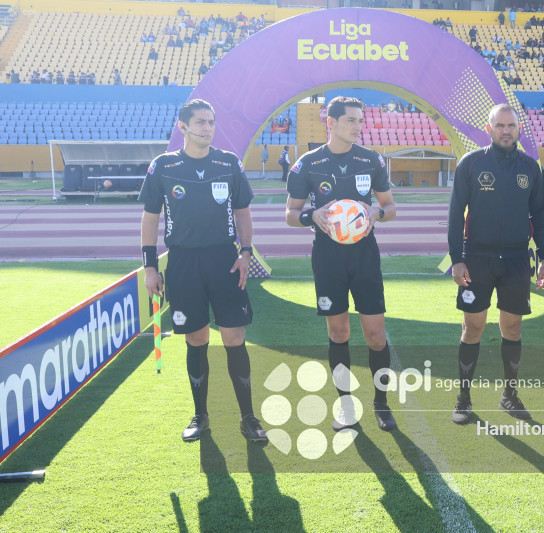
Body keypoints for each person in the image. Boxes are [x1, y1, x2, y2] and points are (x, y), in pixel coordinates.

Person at [138, 99, 267, 443]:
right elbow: (150, 218)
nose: (207, 128)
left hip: (224, 260)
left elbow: (242, 212)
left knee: (234, 337)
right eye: (200, 122)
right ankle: (201, 415)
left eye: (211, 122)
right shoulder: (163, 166)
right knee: (196, 339)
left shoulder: (228, 163)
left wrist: (245, 252)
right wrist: (150, 267)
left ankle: (248, 417)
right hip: (182, 262)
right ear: (183, 127)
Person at [285, 96, 398, 431]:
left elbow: (390, 207)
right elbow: (290, 214)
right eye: (351, 120)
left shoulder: (371, 160)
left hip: (364, 255)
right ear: (330, 123)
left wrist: (377, 212)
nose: (358, 126)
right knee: (338, 332)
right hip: (328, 256)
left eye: (360, 120)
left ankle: (381, 403)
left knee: (376, 335)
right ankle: (345, 406)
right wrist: (311, 215)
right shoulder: (307, 164)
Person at [447, 104, 544, 425]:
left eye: (512, 125)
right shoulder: (472, 163)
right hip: (477, 259)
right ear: (489, 128)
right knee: (473, 327)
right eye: (500, 125)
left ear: (519, 129)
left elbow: (540, 217)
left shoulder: (531, 168)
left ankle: (509, 395)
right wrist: (457, 260)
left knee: (513, 327)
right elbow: (455, 215)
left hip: (518, 260)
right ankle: (463, 398)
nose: (506, 130)